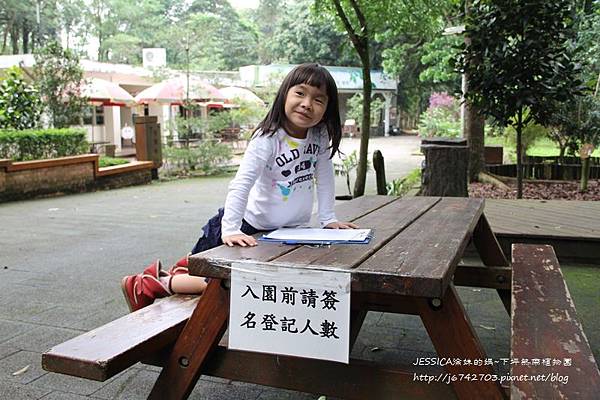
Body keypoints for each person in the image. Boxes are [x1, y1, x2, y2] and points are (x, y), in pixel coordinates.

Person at [121, 63, 358, 312]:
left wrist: (328, 219)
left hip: (287, 232)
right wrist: (231, 229)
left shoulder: (319, 135)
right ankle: (151, 284)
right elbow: (241, 184)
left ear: (327, 108)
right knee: (226, 284)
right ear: (285, 94)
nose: (307, 103)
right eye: (300, 93)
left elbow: (325, 176)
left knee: (273, 281)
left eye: (318, 99)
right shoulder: (268, 138)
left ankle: (180, 267)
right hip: (248, 228)